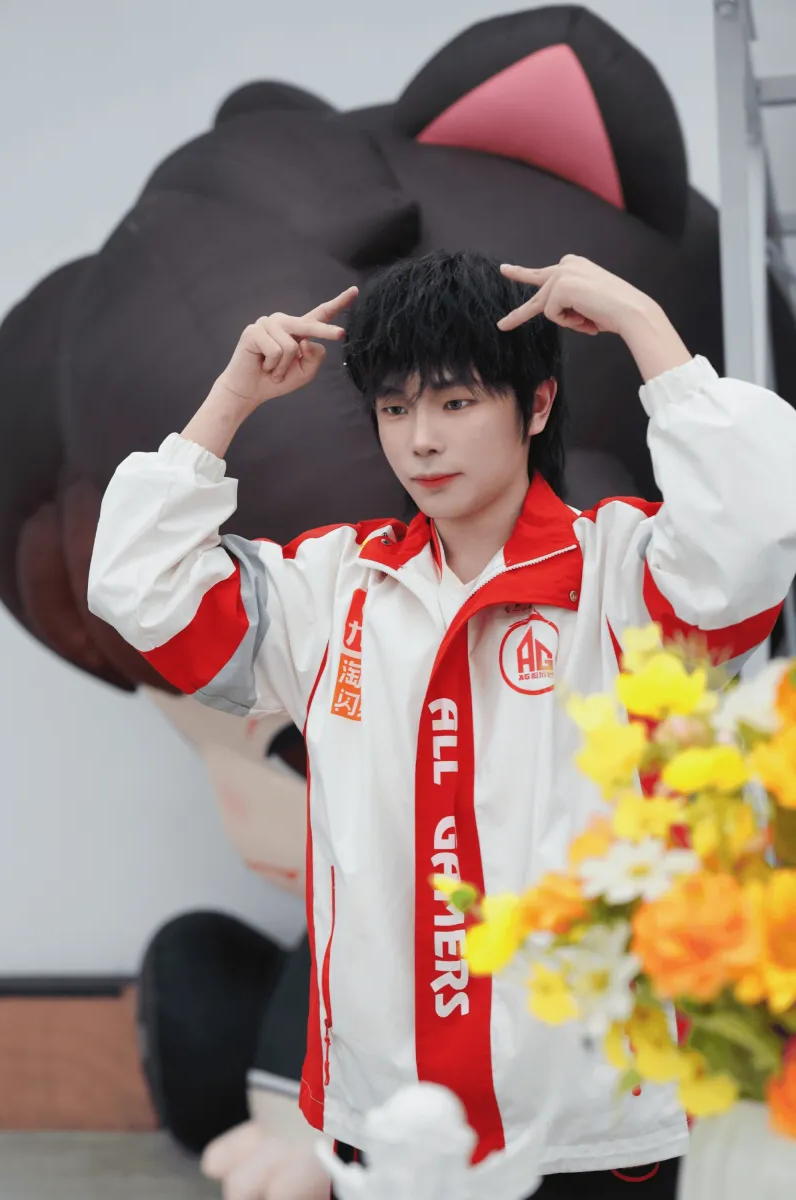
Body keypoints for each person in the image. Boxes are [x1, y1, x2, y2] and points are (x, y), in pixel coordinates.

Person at [88, 250, 796, 1198]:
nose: (421, 440)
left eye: (457, 403)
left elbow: (751, 530)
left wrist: (640, 319)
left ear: (537, 405)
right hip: (391, 1128)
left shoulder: (626, 576)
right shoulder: (336, 588)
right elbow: (139, 586)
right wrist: (232, 399)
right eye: (394, 409)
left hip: (599, 1128)